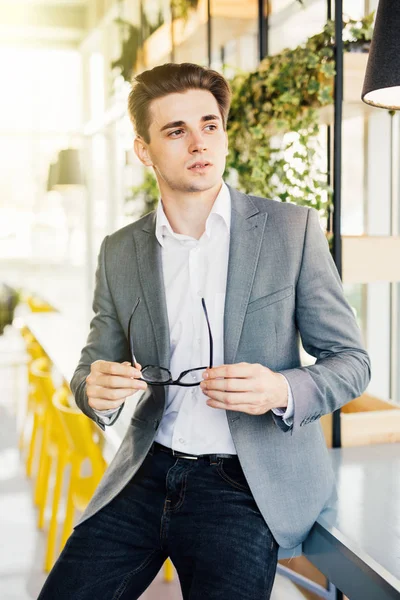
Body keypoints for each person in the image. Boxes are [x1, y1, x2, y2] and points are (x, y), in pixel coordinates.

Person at [38, 62, 371, 600]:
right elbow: (90, 365)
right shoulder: (120, 251)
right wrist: (91, 390)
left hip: (246, 485)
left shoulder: (291, 230)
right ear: (144, 150)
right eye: (176, 130)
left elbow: (351, 361)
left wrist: (280, 389)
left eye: (210, 125)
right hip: (146, 470)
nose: (200, 143)